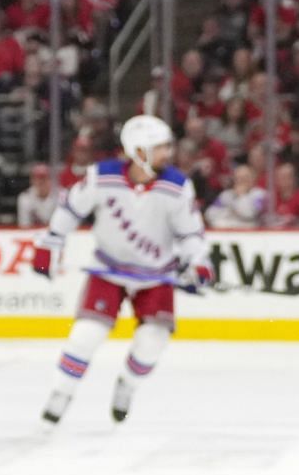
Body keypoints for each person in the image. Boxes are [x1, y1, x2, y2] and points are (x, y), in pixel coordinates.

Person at [33, 115, 212, 425]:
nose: (167, 153)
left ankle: (127, 385)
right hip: (108, 268)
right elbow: (70, 209)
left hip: (156, 274)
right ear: (139, 151)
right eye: (160, 147)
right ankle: (62, 392)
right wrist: (51, 242)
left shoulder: (177, 187)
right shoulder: (100, 177)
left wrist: (198, 262)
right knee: (85, 335)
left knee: (153, 341)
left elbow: (190, 234)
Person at [206, 163, 268, 228]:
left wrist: (241, 195)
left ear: (253, 179)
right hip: (227, 230)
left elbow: (249, 214)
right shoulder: (226, 194)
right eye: (237, 178)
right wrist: (230, 212)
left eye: (245, 178)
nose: (240, 181)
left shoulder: (260, 194)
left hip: (250, 232)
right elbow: (209, 214)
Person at [15, 162, 59, 227]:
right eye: (38, 178)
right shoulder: (25, 198)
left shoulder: (61, 196)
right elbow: (24, 226)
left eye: (44, 178)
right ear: (32, 180)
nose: (41, 182)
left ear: (50, 179)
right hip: (32, 234)